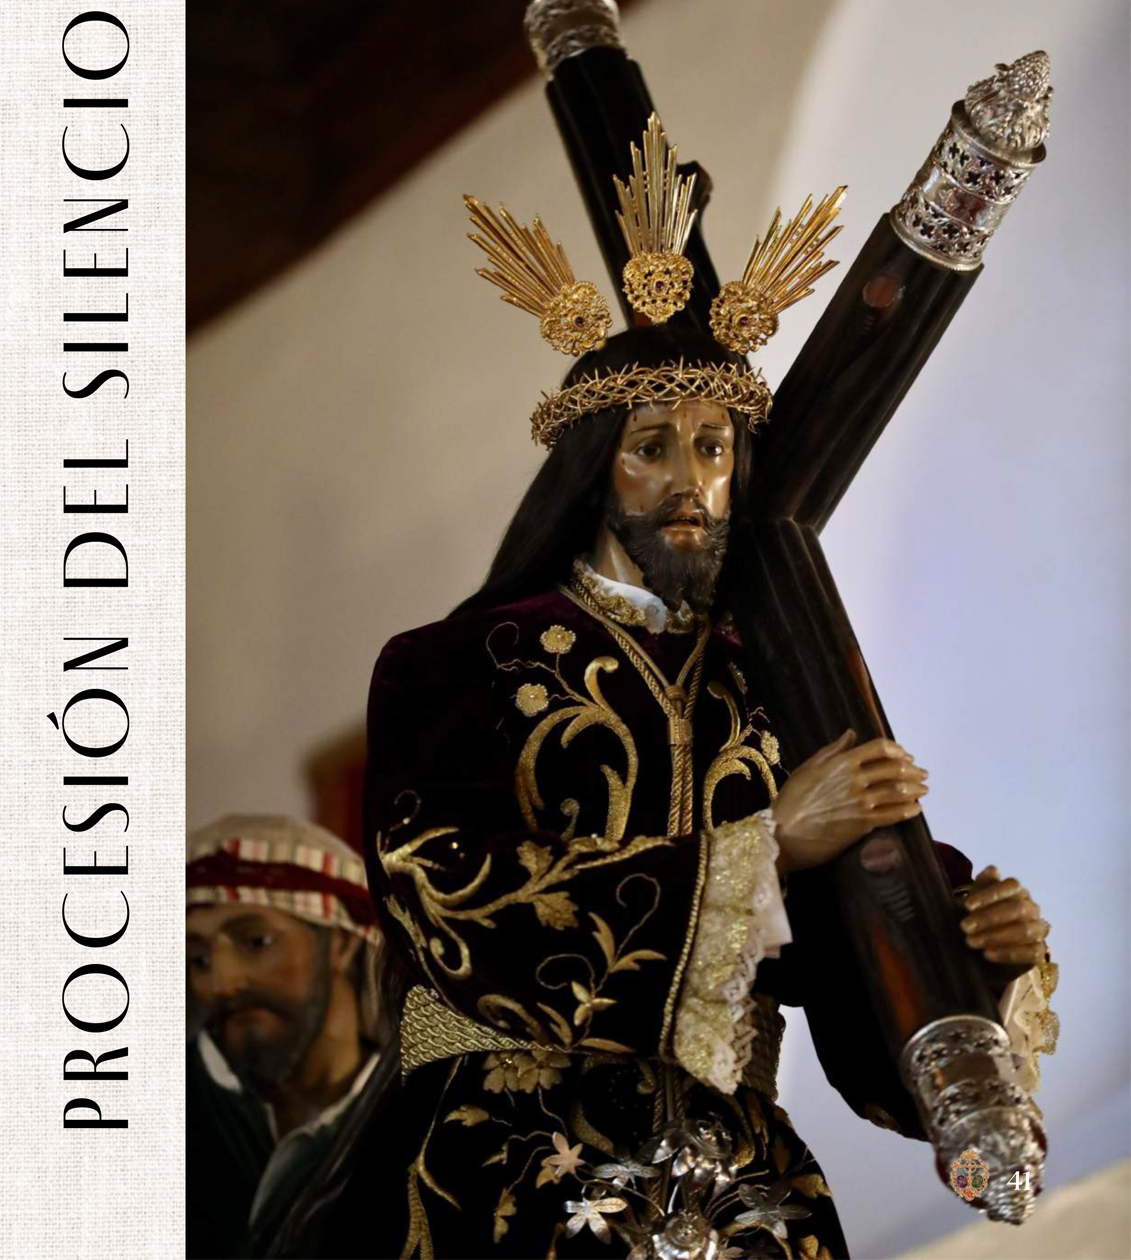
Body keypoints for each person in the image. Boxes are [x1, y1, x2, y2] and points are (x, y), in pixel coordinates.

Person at [345, 132, 1058, 1258]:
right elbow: (450, 892)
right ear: (593, 468)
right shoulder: (457, 662)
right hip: (514, 1152)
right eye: (652, 446)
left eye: (715, 448)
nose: (690, 479)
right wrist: (770, 845)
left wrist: (972, 938)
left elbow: (846, 947)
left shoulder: (767, 680)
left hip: (740, 1183)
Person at [186, 814, 396, 1258]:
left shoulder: (418, 1112)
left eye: (255, 942)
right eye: (198, 959)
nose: (222, 982)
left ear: (341, 944)